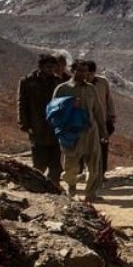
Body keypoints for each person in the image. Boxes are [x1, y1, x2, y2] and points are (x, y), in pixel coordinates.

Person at [51, 60, 104, 202]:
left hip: (91, 132)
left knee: (94, 165)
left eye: (85, 71)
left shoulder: (91, 89)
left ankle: (90, 193)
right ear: (73, 71)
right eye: (79, 70)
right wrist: (68, 106)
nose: (83, 74)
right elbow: (53, 110)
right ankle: (71, 186)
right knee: (70, 165)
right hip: (71, 133)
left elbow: (98, 110)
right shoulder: (63, 89)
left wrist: (104, 131)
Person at [17, 53, 65, 182]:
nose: (51, 70)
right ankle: (37, 186)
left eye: (53, 67)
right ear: (41, 66)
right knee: (39, 162)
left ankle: (53, 187)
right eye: (48, 67)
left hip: (55, 127)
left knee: (56, 164)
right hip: (37, 126)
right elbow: (22, 103)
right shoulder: (28, 81)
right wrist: (24, 124)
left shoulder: (58, 82)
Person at [81, 59, 116, 179]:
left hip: (102, 120)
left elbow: (108, 99)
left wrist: (111, 114)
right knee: (85, 147)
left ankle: (101, 173)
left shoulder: (102, 82)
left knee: (102, 147)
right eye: (86, 73)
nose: (88, 76)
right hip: (85, 121)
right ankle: (87, 172)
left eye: (91, 73)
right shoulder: (79, 84)